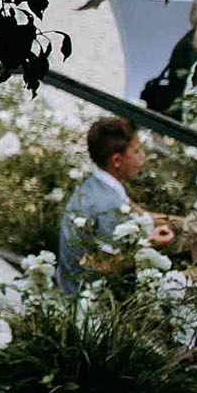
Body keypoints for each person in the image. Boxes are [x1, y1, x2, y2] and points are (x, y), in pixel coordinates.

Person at [56, 118, 176, 295]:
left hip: (70, 281)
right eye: (136, 151)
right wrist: (152, 244)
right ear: (117, 160)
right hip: (83, 296)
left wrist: (187, 222)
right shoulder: (109, 203)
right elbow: (106, 266)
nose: (142, 155)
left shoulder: (99, 184)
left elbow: (141, 214)